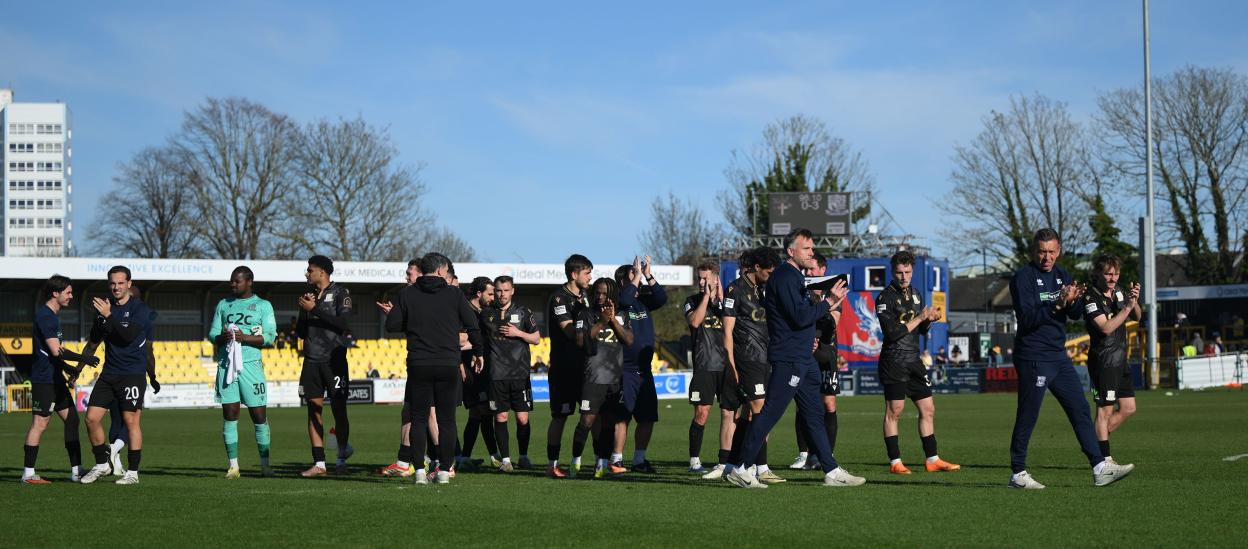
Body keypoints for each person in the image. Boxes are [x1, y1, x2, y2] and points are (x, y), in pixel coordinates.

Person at [724, 229, 865, 489]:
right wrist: (828, 302)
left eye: (812, 248)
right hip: (789, 357)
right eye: (807, 248)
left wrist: (825, 307)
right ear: (791, 251)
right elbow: (800, 317)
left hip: (803, 358)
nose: (811, 252)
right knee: (769, 414)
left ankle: (831, 469)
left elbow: (802, 318)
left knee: (813, 414)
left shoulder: (794, 277)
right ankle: (740, 467)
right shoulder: (786, 277)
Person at [1007, 228, 1134, 489]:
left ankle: (1099, 466)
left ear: (1059, 251)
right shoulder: (1023, 278)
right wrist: (1056, 304)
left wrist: (1073, 299)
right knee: (1028, 414)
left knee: (1080, 409)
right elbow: (1028, 318)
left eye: (1052, 252)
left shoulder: (1063, 274)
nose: (1047, 257)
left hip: (1058, 356)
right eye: (1042, 252)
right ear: (1034, 251)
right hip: (1033, 356)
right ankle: (1018, 473)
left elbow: (1074, 313)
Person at [385, 252, 483, 485]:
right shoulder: (454, 293)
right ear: (441, 270)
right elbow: (473, 325)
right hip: (448, 363)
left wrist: (416, 320)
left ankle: (419, 471)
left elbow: (391, 325)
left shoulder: (407, 293)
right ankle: (443, 472)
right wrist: (478, 353)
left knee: (418, 419)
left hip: (419, 363)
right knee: (446, 420)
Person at [875, 250, 959, 475]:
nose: (904, 277)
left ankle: (932, 459)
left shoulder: (916, 294)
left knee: (928, 408)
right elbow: (892, 334)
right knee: (895, 410)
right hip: (894, 359)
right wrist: (921, 317)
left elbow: (920, 330)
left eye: (908, 272)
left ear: (912, 271)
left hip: (913, 359)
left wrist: (929, 320)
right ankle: (895, 462)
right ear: (893, 272)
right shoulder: (885, 298)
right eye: (899, 272)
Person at [79, 266, 154, 485]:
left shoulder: (140, 309)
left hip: (132, 374)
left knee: (131, 421)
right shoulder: (104, 308)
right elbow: (95, 339)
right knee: (91, 418)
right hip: (109, 372)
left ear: (129, 284)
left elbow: (128, 336)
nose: (116, 287)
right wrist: (99, 321)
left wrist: (108, 316)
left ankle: (133, 473)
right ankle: (102, 464)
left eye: (121, 283)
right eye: (112, 283)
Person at [21, 275, 97, 484]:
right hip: (44, 380)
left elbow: (52, 354)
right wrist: (84, 358)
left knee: (72, 419)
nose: (71, 296)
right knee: (40, 423)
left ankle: (76, 470)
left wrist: (70, 369)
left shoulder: (53, 316)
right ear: (56, 293)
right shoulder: (46, 316)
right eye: (68, 292)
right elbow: (56, 350)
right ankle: (28, 474)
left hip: (55, 378)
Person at [716, 247, 782, 483]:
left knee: (749, 416)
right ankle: (758, 468)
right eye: (769, 271)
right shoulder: (736, 289)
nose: (772, 276)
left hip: (764, 359)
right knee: (761, 411)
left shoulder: (763, 290)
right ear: (757, 268)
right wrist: (732, 366)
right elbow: (727, 333)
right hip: (746, 358)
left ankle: (731, 465)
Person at [207, 266, 277, 479]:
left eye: (237, 281)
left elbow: (270, 337)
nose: (233, 284)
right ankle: (233, 467)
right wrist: (224, 337)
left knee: (259, 416)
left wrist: (244, 337)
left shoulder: (263, 306)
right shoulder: (223, 304)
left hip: (251, 367)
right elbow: (212, 334)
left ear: (249, 282)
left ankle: (265, 466)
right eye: (231, 281)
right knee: (230, 415)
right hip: (227, 366)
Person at [296, 255, 354, 477]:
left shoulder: (341, 292)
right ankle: (319, 464)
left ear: (322, 272)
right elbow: (301, 332)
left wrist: (315, 309)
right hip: (311, 361)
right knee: (313, 412)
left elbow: (344, 324)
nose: (306, 273)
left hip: (334, 361)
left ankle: (340, 460)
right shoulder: (307, 296)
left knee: (339, 411)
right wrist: (304, 309)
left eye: (310, 270)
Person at [1081, 254, 1141, 465]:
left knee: (1128, 408)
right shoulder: (1090, 297)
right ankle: (1104, 459)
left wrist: (1133, 302)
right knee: (1104, 410)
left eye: (1116, 273)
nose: (1113, 278)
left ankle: (1096, 442)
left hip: (1120, 358)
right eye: (1108, 273)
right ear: (1097, 273)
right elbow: (1106, 328)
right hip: (1104, 361)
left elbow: (1137, 317)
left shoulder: (1119, 292)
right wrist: (1126, 308)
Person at [788, 251, 843, 472]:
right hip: (804, 353)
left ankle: (825, 454)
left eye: (812, 269)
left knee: (829, 404)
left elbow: (834, 322)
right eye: (806, 269)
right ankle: (804, 455)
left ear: (823, 271)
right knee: (804, 404)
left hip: (826, 355)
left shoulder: (833, 294)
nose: (808, 273)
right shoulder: (801, 292)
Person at [573, 277, 633, 478]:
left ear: (613, 295)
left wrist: (613, 319)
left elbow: (629, 340)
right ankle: (576, 461)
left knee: (608, 422)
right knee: (586, 422)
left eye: (604, 293)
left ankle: (601, 463)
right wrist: (602, 321)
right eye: (597, 292)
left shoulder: (623, 315)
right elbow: (580, 341)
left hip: (615, 380)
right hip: (593, 377)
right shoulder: (585, 314)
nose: (600, 296)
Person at [481, 275, 541, 472]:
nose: (502, 294)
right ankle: (506, 460)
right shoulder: (486, 314)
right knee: (501, 418)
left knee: (523, 419)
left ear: (512, 291)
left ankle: (523, 456)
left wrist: (519, 334)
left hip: (520, 373)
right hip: (496, 374)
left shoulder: (524, 312)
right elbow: (477, 339)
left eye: (506, 290)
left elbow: (536, 338)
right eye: (498, 290)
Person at [614, 255, 667, 473]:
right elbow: (626, 300)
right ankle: (616, 459)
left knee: (647, 418)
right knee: (623, 417)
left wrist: (647, 274)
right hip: (624, 370)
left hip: (645, 371)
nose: (638, 281)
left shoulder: (642, 302)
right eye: (632, 277)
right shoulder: (619, 302)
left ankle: (638, 460)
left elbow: (662, 298)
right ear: (622, 282)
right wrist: (636, 277)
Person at [684, 261, 738, 475]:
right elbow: (695, 322)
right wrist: (706, 297)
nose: (701, 282)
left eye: (705, 278)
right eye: (699, 278)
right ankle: (694, 461)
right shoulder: (691, 301)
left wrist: (723, 301)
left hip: (727, 366)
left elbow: (734, 330)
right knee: (702, 413)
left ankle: (724, 462)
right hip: (704, 366)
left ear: (716, 279)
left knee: (729, 414)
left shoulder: (729, 303)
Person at [545, 254, 594, 478]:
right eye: (587, 273)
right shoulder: (559, 298)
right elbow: (569, 331)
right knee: (560, 416)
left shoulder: (586, 297)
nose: (590, 277)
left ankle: (595, 461)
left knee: (592, 414)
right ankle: (552, 464)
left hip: (586, 367)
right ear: (574, 274)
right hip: (564, 368)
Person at [378, 259, 421, 477]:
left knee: (431, 416)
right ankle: (406, 461)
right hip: (419, 362)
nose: (406, 277)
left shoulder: (423, 297)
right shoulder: (412, 297)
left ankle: (443, 462)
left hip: (428, 363)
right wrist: (396, 314)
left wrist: (395, 317)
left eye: (409, 273)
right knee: (411, 412)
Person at [456, 276, 500, 470]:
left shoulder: (487, 312)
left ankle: (464, 457)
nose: (493, 297)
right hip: (471, 370)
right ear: (479, 293)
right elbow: (458, 342)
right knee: (484, 412)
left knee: (476, 414)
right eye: (490, 293)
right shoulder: (465, 312)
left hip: (485, 369)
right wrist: (461, 366)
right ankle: (494, 455)